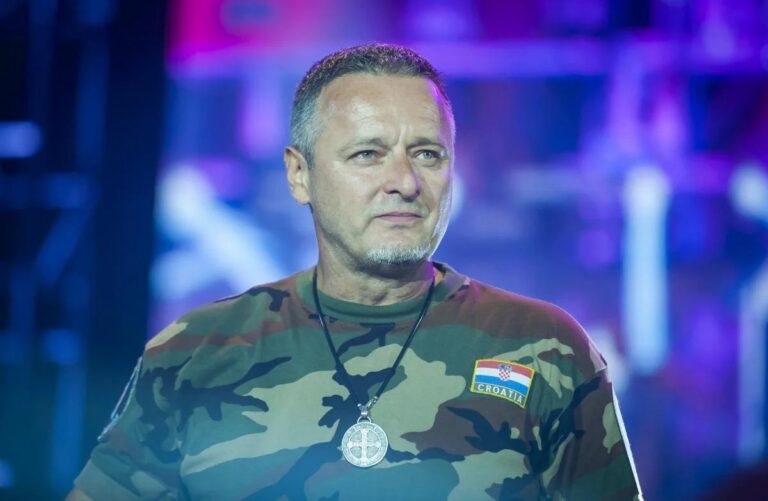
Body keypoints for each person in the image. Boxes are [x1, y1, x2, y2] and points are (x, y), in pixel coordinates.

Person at [68, 43, 642, 500]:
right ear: (299, 175)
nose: (405, 182)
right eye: (368, 154)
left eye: (427, 154)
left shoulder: (545, 348)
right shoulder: (194, 352)